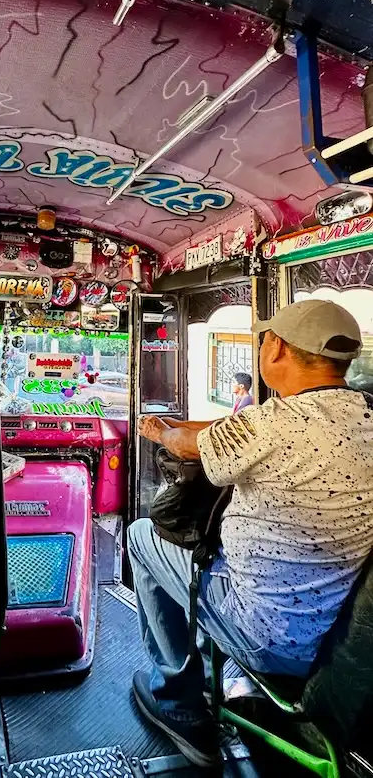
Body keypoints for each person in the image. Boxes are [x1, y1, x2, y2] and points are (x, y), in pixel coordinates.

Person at [129, 300, 373, 769]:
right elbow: (230, 430)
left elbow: (189, 446)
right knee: (211, 556)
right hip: (333, 631)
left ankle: (179, 699)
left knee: (143, 537)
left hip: (267, 636)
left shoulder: (273, 423)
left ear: (278, 348)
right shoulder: (364, 414)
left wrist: (161, 431)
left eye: (264, 340)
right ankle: (205, 673)